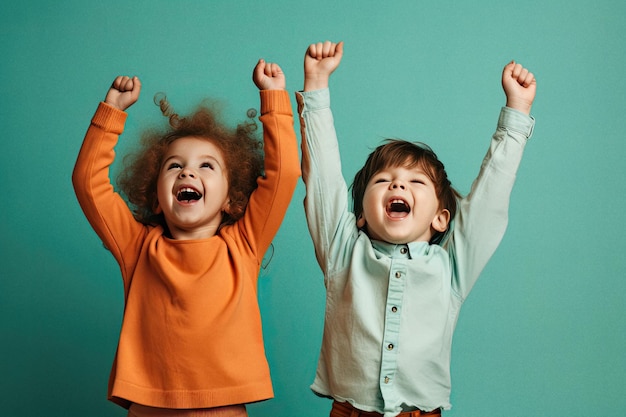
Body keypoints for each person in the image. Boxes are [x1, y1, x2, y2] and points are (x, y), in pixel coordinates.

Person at [296, 41, 536, 417]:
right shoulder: (343, 252)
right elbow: (323, 178)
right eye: (383, 180)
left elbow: (491, 200)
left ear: (440, 218)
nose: (398, 186)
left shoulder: (451, 268)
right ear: (360, 214)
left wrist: (517, 114)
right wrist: (316, 87)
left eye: (415, 182)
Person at [72, 59, 300, 417]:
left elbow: (285, 173)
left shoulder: (244, 244)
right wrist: (111, 113)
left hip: (223, 407)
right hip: (149, 406)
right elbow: (89, 183)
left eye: (206, 165)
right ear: (155, 198)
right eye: (174, 166)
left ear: (231, 198)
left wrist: (273, 99)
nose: (187, 171)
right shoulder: (137, 247)